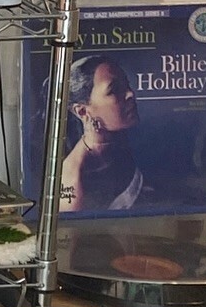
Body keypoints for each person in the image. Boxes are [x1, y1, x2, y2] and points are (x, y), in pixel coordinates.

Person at [58, 53, 143, 213]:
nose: (130, 94)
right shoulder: (75, 179)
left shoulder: (127, 144)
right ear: (82, 111)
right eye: (114, 90)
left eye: (127, 85)